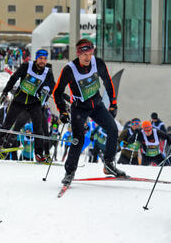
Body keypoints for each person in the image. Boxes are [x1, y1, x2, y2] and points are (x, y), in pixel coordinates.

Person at [52, 38, 125, 185]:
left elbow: (108, 82)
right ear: (78, 54)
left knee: (112, 129)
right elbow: (57, 92)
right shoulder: (69, 69)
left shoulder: (97, 63)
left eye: (90, 53)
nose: (87, 57)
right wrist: (62, 111)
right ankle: (70, 172)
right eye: (84, 54)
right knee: (78, 139)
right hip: (79, 107)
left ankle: (109, 164)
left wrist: (113, 103)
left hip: (96, 104)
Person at [0, 49, 55, 162]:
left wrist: (47, 99)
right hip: (19, 100)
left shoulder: (47, 72)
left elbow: (53, 87)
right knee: (7, 125)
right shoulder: (26, 66)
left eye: (44, 59)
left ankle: (39, 154)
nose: (42, 61)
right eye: (40, 59)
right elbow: (14, 78)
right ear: (36, 58)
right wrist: (5, 91)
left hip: (34, 103)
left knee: (38, 129)